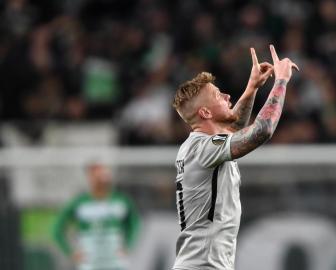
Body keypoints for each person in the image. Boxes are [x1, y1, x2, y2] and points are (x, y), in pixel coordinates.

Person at [171, 44, 299, 270]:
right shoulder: (203, 149)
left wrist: (251, 88)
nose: (227, 95)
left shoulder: (199, 146)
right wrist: (281, 82)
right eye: (218, 95)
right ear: (206, 113)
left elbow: (233, 130)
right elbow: (261, 130)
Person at [53, 162, 140, 270]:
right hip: (91, 263)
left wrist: (128, 245)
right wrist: (70, 252)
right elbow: (57, 230)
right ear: (89, 178)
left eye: (103, 174)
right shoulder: (80, 203)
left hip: (115, 262)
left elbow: (134, 223)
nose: (101, 178)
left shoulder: (120, 201)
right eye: (96, 175)